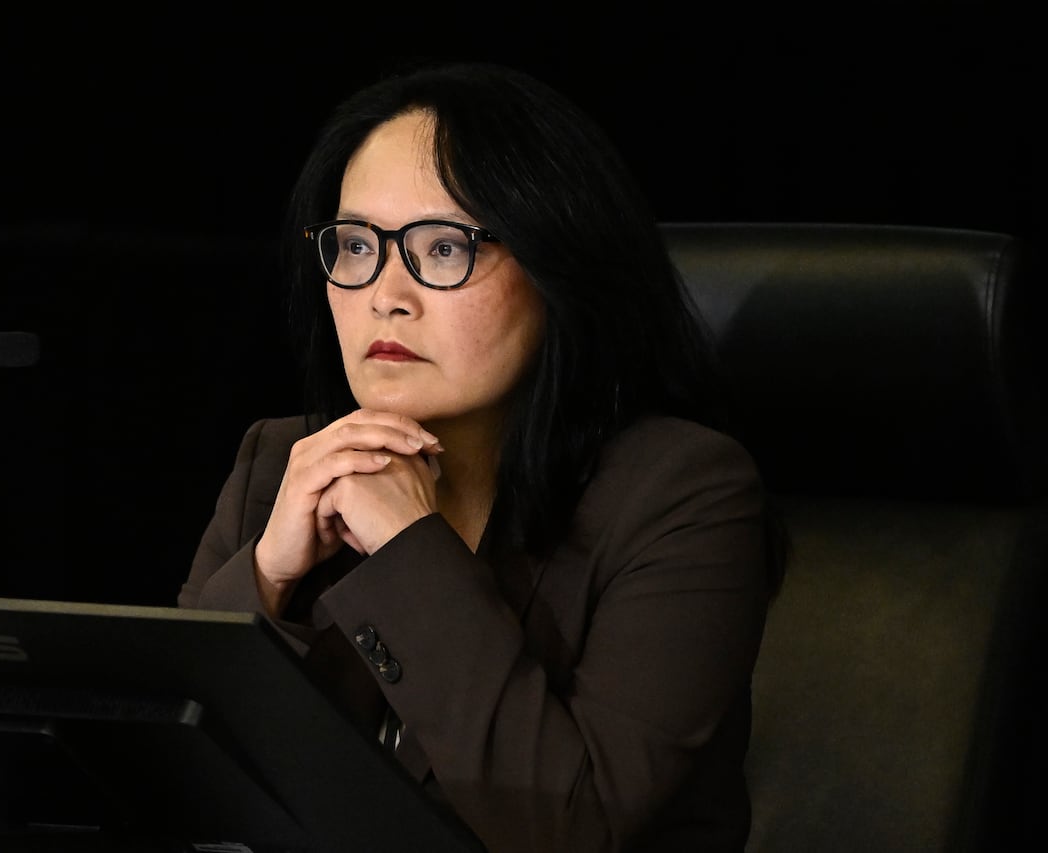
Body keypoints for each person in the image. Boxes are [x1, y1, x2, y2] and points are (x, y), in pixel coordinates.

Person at [179, 59, 784, 853]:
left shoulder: (683, 494)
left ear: (556, 264)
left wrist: (407, 551)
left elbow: (570, 827)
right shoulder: (284, 464)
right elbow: (174, 788)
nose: (385, 293)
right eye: (357, 245)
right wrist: (266, 577)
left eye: (441, 248)